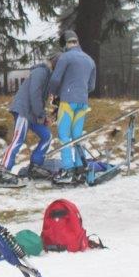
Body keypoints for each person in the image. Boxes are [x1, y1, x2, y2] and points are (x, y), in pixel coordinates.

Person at [0, 56, 57, 185]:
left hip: (32, 112)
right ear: (54, 65)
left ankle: (35, 166)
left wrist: (43, 116)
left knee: (47, 136)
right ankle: (3, 172)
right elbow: (34, 94)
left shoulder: (48, 75)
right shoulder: (41, 71)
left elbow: (40, 99)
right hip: (23, 110)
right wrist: (41, 115)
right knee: (18, 139)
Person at [47, 30, 97, 185]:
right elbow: (92, 86)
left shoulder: (65, 57)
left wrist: (54, 93)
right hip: (83, 102)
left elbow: (55, 79)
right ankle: (80, 168)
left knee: (64, 136)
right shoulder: (90, 60)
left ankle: (68, 170)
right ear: (77, 41)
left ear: (65, 44)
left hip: (68, 101)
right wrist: (80, 91)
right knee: (77, 136)